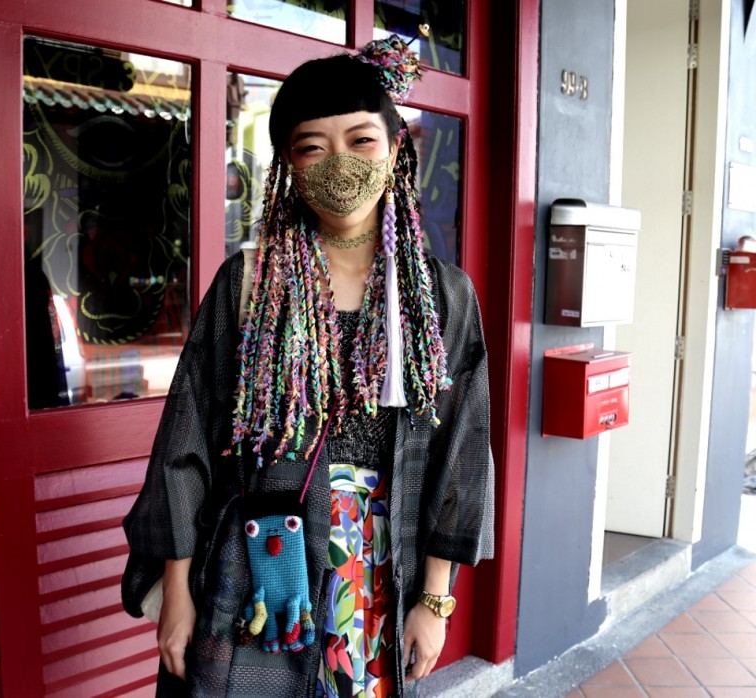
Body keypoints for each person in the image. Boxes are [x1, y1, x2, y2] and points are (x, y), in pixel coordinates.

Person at [122, 35, 494, 697]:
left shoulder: (439, 295)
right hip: (254, 570)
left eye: (362, 140)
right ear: (289, 164)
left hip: (377, 569)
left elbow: (462, 457)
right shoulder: (248, 284)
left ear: (397, 146)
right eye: (312, 147)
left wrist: (434, 601)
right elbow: (184, 447)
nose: (339, 163)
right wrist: (175, 590)